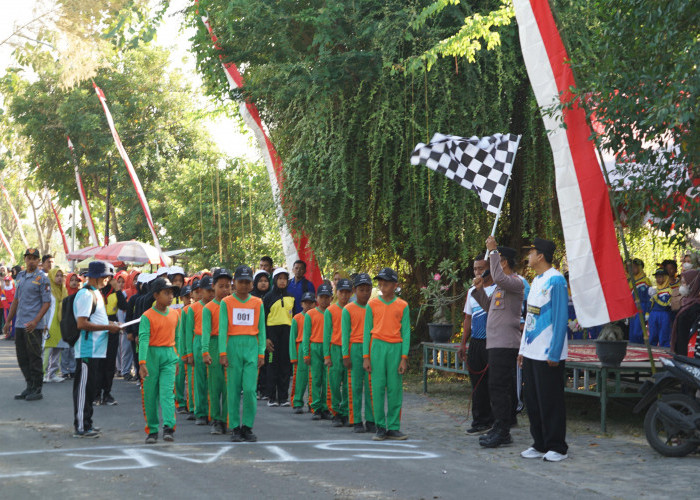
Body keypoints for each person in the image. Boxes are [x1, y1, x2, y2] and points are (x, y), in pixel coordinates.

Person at [519, 238, 569, 462]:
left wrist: (555, 352)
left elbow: (560, 318)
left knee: (551, 400)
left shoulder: (556, 280)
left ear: (540, 256)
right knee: (533, 400)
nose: (527, 256)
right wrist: (522, 349)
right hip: (531, 351)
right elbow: (529, 317)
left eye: (530, 252)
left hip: (548, 352)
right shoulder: (536, 280)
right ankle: (539, 443)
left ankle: (557, 446)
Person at [472, 237, 524, 448]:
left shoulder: (515, 282)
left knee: (500, 387)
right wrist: (478, 290)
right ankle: (499, 425)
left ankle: (503, 429)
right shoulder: (500, 288)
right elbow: (488, 307)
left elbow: (500, 279)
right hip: (495, 343)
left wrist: (492, 251)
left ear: (504, 262)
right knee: (495, 386)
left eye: (499, 259)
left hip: (506, 343)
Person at [73, 261, 121, 437]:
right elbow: (82, 323)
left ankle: (87, 423)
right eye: (105, 277)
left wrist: (112, 324)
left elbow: (98, 321)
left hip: (96, 349)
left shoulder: (96, 294)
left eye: (108, 277)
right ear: (94, 276)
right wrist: (109, 328)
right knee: (84, 390)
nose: (107, 280)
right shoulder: (86, 295)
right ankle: (81, 426)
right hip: (87, 349)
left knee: (90, 389)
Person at [219, 265, 266, 442]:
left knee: (249, 389)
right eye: (241, 282)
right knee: (233, 389)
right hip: (233, 346)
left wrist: (261, 352)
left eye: (248, 282)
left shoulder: (257, 303)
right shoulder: (226, 302)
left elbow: (261, 328)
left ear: (252, 284)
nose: (244, 285)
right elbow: (223, 328)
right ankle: (235, 427)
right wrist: (223, 352)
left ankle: (247, 426)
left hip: (251, 347)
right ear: (234, 283)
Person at [363, 267, 410, 441]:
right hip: (377, 347)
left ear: (395, 285)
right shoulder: (372, 304)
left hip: (395, 349)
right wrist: (366, 357)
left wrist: (404, 358)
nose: (382, 285)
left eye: (387, 282)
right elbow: (367, 331)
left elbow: (406, 333)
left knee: (394, 389)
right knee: (377, 388)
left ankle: (394, 427)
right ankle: (380, 426)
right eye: (380, 281)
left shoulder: (402, 305)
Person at [4, 248, 52, 401]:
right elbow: (16, 301)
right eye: (28, 258)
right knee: (22, 357)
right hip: (19, 324)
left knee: (34, 357)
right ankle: (29, 385)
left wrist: (36, 321)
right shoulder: (21, 276)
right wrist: (8, 321)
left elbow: (47, 303)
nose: (31, 261)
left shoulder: (42, 278)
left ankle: (37, 388)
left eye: (34, 258)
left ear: (38, 261)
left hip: (33, 325)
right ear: (25, 260)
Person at [138, 277, 181, 444]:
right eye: (166, 293)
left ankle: (169, 427)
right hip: (151, 357)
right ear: (156, 295)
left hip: (169, 356)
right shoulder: (147, 316)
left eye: (171, 293)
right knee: (150, 395)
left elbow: (177, 337)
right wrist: (142, 363)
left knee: (167, 393)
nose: (170, 297)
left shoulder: (175, 314)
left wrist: (177, 359)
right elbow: (143, 339)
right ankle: (152, 430)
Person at [458, 255, 496, 435]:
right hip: (476, 342)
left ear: (490, 267)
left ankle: (495, 420)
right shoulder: (472, 291)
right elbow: (468, 318)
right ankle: (479, 420)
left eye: (481, 268)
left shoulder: (498, 289)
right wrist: (463, 343)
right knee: (477, 384)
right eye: (475, 269)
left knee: (493, 383)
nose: (477, 272)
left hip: (493, 342)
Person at [342, 273, 375, 433]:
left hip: (370, 348)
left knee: (371, 386)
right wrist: (345, 355)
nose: (365, 293)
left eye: (368, 290)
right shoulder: (348, 309)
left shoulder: (374, 307)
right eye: (361, 290)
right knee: (355, 386)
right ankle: (355, 419)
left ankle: (370, 419)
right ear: (355, 290)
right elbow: (345, 333)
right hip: (354, 348)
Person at [201, 268, 232, 435]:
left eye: (228, 286)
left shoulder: (234, 305)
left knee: (229, 385)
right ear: (214, 287)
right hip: (213, 344)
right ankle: (216, 419)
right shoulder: (209, 308)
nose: (225, 290)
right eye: (221, 286)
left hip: (230, 344)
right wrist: (205, 351)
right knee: (215, 385)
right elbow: (205, 331)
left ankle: (227, 418)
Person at [263, 268, 295, 407]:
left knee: (285, 365)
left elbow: (293, 318)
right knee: (272, 365)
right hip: (272, 333)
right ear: (275, 280)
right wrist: (266, 337)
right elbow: (263, 319)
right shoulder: (268, 297)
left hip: (286, 332)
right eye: (280, 278)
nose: (282, 281)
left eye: (285, 279)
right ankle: (271, 396)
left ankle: (283, 397)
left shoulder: (291, 297)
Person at [185, 275, 214, 425]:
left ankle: (213, 412)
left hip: (213, 342)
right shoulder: (193, 308)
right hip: (198, 342)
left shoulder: (220, 305)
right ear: (201, 291)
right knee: (200, 380)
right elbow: (189, 332)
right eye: (208, 290)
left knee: (214, 381)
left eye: (212, 290)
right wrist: (189, 353)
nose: (211, 293)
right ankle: (201, 412)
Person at [95, 273, 127, 406]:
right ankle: (96, 394)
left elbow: (124, 307)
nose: (110, 281)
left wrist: (118, 290)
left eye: (112, 278)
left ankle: (107, 393)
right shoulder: (96, 291)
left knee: (110, 362)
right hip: (98, 326)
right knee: (98, 363)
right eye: (107, 278)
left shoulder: (116, 293)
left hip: (113, 326)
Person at [302, 283, 333, 420]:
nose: (324, 300)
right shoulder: (310, 314)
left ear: (331, 298)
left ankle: (326, 407)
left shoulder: (333, 312)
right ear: (317, 298)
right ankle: (315, 407)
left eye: (327, 297)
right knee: (315, 378)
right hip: (315, 347)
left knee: (328, 379)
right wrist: (306, 353)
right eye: (322, 297)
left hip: (329, 348)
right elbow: (306, 335)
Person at [325, 277, 352, 426]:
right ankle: (335, 411)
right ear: (337, 292)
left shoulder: (353, 308)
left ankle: (346, 411)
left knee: (348, 382)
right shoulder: (331, 310)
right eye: (342, 292)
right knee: (334, 382)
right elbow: (327, 334)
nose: (345, 295)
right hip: (335, 348)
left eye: (348, 292)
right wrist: (327, 355)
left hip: (349, 349)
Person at [290, 292, 315, 413]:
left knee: (313, 377)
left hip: (313, 346)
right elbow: (292, 338)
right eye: (306, 303)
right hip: (300, 347)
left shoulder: (316, 316)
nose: (308, 305)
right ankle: (297, 401)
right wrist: (293, 356)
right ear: (301, 304)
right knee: (299, 377)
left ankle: (312, 402)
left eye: (311, 303)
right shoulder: (297, 318)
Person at [43, 267, 68, 383]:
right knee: (47, 349)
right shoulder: (48, 290)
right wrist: (43, 323)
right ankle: (42, 374)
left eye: (61, 276)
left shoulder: (64, 290)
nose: (59, 278)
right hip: (49, 323)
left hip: (61, 323)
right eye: (57, 276)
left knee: (58, 349)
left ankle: (53, 374)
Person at [670, 270, 700, 355]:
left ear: (693, 284)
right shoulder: (686, 303)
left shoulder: (695, 307)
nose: (681, 286)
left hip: (688, 354)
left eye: (684, 283)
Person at [252, 270, 270, 398]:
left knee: (265, 364)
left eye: (266, 281)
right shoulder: (251, 297)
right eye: (260, 281)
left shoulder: (271, 296)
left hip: (267, 333)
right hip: (253, 334)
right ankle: (253, 387)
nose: (263, 284)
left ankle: (264, 389)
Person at [175, 284, 192, 413]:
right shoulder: (177, 313)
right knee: (180, 374)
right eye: (187, 297)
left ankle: (192, 403)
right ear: (181, 298)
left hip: (193, 347)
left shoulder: (200, 310)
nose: (190, 299)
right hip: (179, 347)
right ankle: (180, 402)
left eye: (192, 296)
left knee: (192, 377)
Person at [628, 258, 652, 344]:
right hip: (632, 307)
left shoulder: (645, 281)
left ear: (640, 268)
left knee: (638, 331)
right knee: (632, 332)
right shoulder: (631, 281)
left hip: (642, 307)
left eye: (635, 267)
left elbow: (649, 297)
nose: (632, 269)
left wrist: (647, 312)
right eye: (632, 267)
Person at [648, 268, 673, 347]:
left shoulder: (669, 290)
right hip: (653, 314)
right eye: (657, 277)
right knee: (652, 335)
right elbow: (651, 304)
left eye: (660, 277)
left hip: (664, 314)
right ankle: (651, 352)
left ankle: (664, 353)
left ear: (666, 278)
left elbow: (666, 304)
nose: (658, 279)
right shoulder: (656, 290)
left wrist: (655, 297)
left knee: (664, 335)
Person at [2, 273, 16, 340]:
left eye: (8, 281)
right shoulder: (3, 291)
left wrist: (13, 306)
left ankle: (13, 334)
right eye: (6, 281)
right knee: (7, 320)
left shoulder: (14, 290)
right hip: (6, 308)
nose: (7, 283)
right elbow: (3, 300)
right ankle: (7, 334)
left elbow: (16, 299)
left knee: (14, 320)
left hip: (14, 307)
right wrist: (8, 306)